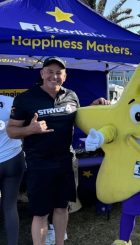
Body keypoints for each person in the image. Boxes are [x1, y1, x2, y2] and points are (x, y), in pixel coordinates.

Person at [6, 56, 108, 245]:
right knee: (41, 213)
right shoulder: (25, 99)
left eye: (59, 72)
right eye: (50, 71)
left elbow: (80, 118)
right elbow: (11, 130)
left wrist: (94, 108)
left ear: (65, 75)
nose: (54, 76)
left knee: (62, 208)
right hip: (39, 164)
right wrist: (30, 129)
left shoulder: (71, 96)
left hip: (65, 162)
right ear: (42, 73)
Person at [0, 95, 26, 245]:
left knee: (10, 206)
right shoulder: (10, 101)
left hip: (12, 158)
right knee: (10, 206)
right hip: (13, 159)